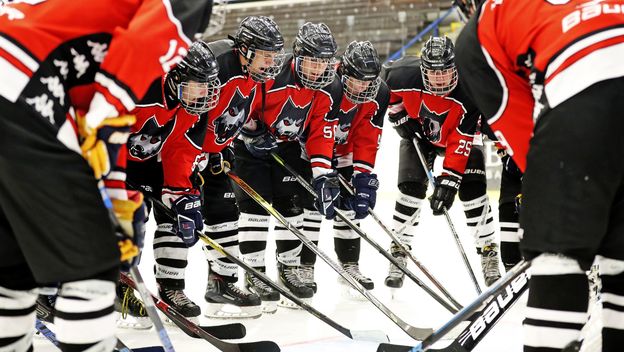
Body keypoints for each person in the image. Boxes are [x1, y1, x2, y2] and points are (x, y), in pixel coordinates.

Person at [0, 0, 212, 351]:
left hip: (19, 73)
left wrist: (114, 198)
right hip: (24, 81)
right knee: (93, 262)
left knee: (12, 262)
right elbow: (118, 89)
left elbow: (92, 122)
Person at [455, 0, 624, 351]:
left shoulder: (490, 17)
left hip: (582, 100)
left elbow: (512, 118)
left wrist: (552, 195)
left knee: (557, 259)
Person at [234, 22, 343, 307]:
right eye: (312, 61)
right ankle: (255, 271)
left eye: (324, 62)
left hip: (289, 147)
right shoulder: (272, 73)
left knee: (292, 205)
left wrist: (322, 173)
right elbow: (245, 104)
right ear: (297, 57)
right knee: (255, 207)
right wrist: (251, 132)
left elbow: (321, 132)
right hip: (251, 148)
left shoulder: (329, 87)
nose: (319, 69)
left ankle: (288, 267)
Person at [381, 36, 502, 289]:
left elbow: (462, 137)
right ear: (423, 69)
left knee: (473, 189)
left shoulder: (469, 89)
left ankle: (488, 251)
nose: (439, 79)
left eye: (445, 72)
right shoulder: (402, 75)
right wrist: (399, 115)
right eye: (433, 73)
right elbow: (384, 88)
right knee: (410, 188)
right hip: (419, 135)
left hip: (458, 134)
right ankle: (399, 251)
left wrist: (449, 181)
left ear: (455, 68)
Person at [124, 39, 221, 323]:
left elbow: (181, 150)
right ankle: (122, 289)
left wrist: (180, 193)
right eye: (198, 84)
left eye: (208, 84)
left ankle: (171, 288)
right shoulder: (139, 90)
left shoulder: (193, 105)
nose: (205, 93)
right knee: (129, 220)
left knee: (181, 212)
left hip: (153, 163)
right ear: (176, 78)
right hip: (112, 162)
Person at [198, 15, 286, 317]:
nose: (271, 62)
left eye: (274, 55)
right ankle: (158, 290)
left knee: (223, 214)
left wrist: (246, 133)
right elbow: (194, 109)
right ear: (245, 50)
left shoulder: (253, 74)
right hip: (182, 152)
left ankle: (220, 285)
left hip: (214, 153)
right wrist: (200, 149)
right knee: (175, 221)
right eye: (265, 55)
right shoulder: (218, 63)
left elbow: (236, 112)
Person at [297, 40, 389, 293]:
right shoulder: (327, 83)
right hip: (312, 151)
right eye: (357, 80)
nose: (363, 87)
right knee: (313, 207)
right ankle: (304, 265)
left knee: (351, 208)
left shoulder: (380, 93)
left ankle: (349, 265)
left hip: (346, 152)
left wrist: (363, 176)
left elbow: (368, 136)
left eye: (369, 81)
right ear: (342, 71)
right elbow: (317, 127)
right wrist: (323, 170)